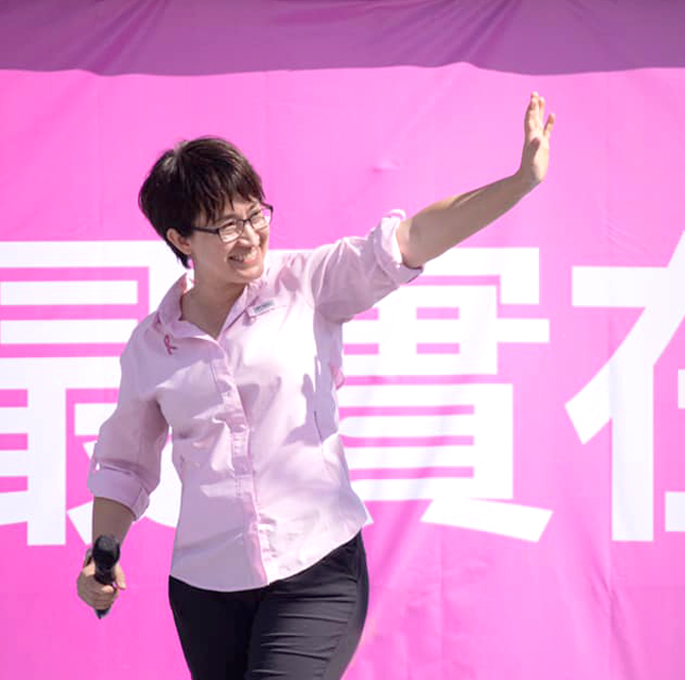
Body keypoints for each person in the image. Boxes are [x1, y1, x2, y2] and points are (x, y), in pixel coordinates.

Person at [75, 92, 555, 680]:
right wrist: (102, 553)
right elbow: (124, 464)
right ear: (181, 240)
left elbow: (410, 240)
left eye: (255, 214)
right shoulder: (152, 346)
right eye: (226, 225)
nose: (250, 235)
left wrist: (517, 183)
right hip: (205, 587)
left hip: (316, 566)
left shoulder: (306, 284)